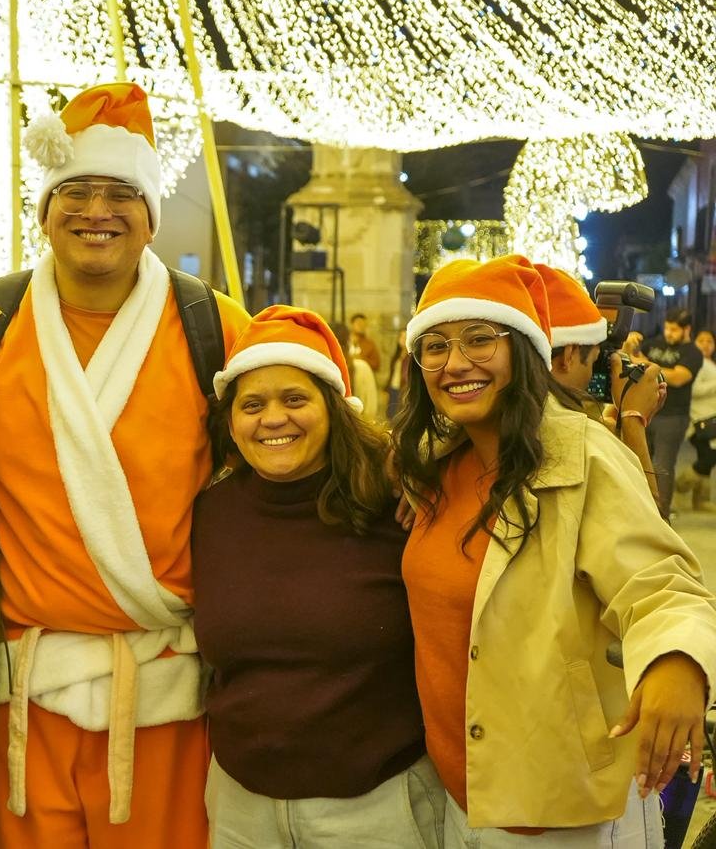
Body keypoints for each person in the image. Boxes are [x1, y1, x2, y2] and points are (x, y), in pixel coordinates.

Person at [0, 82, 250, 847]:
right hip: (26, 689)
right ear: (44, 212)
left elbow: (307, 437)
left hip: (166, 688)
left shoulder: (216, 328)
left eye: (120, 193)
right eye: (73, 192)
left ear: (150, 214)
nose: (95, 211)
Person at [394, 255, 716, 846]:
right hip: (451, 792)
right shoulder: (432, 467)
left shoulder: (584, 455)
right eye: (434, 346)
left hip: (552, 810)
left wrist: (678, 664)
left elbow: (663, 589)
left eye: (479, 338)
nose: (455, 362)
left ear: (523, 350)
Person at [193, 306, 441, 848]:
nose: (272, 418)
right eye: (252, 405)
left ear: (333, 408)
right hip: (240, 807)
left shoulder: (396, 502)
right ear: (230, 421)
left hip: (376, 809)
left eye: (294, 399)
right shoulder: (209, 513)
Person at [539, 263, 665, 509]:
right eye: (596, 360)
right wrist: (632, 420)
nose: (593, 374)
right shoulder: (583, 441)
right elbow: (649, 522)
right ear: (569, 355)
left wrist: (612, 418)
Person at [633, 307, 703, 517]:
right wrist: (632, 345)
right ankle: (641, 510)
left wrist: (644, 363)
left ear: (686, 329)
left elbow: (678, 378)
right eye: (667, 328)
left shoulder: (692, 352)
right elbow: (631, 357)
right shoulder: (654, 343)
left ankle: (661, 515)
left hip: (672, 417)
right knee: (639, 461)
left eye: (674, 330)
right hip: (646, 411)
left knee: (662, 465)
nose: (668, 333)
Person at [677, 329, 716, 512]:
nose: (706, 344)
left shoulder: (710, 364)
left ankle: (701, 500)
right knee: (709, 456)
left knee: (707, 456)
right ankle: (681, 485)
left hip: (710, 418)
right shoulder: (695, 362)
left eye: (710, 341)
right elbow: (694, 390)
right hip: (698, 420)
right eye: (702, 340)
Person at [386, 328, 409, 420]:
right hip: (393, 388)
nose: (403, 339)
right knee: (391, 413)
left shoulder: (411, 357)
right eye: (402, 337)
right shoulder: (396, 356)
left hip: (404, 389)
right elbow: (392, 373)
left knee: (401, 415)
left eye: (406, 337)